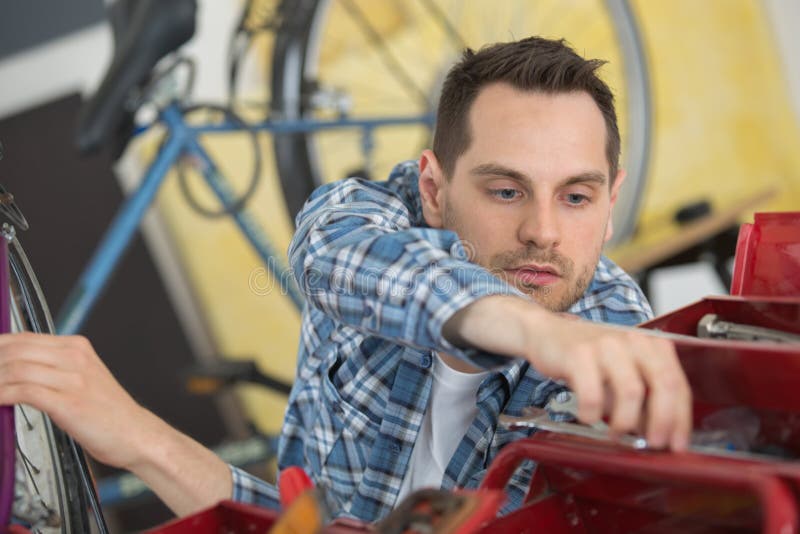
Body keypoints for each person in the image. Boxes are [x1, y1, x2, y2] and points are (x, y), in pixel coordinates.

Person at [0, 36, 691, 523]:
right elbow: (299, 525)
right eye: (506, 191)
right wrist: (137, 437)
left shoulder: (614, 351)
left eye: (576, 197)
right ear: (432, 188)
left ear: (610, 202)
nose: (543, 231)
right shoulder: (369, 221)